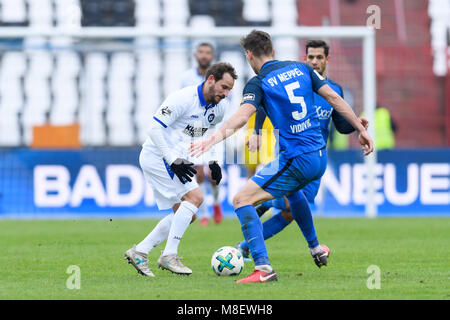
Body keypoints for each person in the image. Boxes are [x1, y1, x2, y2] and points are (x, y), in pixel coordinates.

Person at [190, 30, 373, 283]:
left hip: (296, 158)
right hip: (319, 156)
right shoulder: (301, 68)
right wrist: (361, 129)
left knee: (242, 199)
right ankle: (316, 248)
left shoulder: (259, 82)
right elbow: (333, 96)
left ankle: (263, 269)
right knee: (293, 194)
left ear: (249, 55)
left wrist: (211, 139)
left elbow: (243, 115)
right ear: (273, 51)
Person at [236, 40, 369, 265]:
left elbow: (340, 125)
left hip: (314, 155)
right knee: (291, 207)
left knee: (290, 211)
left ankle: (257, 227)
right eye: (310, 57)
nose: (314, 61)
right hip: (291, 154)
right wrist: (257, 132)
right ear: (305, 58)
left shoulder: (334, 90)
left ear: (328, 59)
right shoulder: (299, 79)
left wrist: (356, 125)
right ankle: (304, 246)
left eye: (319, 57)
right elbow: (263, 105)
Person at [124, 62, 237, 276]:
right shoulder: (183, 99)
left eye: (230, 89)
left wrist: (213, 161)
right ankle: (168, 256)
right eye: (224, 87)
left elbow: (212, 132)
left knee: (187, 213)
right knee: (195, 198)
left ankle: (140, 251)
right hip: (159, 156)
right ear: (210, 79)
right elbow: (155, 129)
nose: (226, 93)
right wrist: (172, 159)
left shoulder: (220, 106)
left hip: (178, 160)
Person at [180, 42, 224, 226]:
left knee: (214, 176)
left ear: (212, 56)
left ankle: (216, 204)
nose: (204, 55)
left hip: (213, 130)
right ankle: (204, 212)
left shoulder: (221, 79)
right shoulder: (187, 77)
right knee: (197, 173)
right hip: (194, 132)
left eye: (207, 52)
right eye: (201, 52)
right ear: (196, 55)